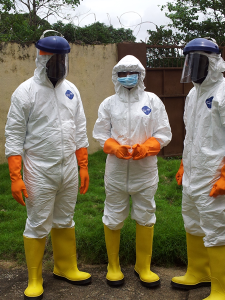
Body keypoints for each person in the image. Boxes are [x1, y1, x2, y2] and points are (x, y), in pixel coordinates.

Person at [5, 31, 91, 300]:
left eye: (62, 59)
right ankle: (34, 278)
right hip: (39, 169)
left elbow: (79, 129)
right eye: (52, 59)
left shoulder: (71, 90)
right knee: (38, 222)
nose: (58, 65)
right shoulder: (26, 92)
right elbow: (14, 135)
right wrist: (15, 176)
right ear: (41, 58)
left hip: (68, 169)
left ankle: (65, 267)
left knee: (65, 218)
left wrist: (83, 165)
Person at [93, 55, 172, 287]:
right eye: (122, 73)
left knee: (146, 215)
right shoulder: (108, 103)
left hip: (144, 171)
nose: (128, 77)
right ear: (116, 76)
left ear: (141, 74)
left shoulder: (153, 101)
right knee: (113, 216)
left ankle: (143, 266)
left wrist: (146, 148)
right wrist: (113, 147)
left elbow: (164, 133)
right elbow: (100, 133)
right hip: (116, 171)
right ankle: (113, 266)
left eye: (132, 72)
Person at [171, 37, 225, 299]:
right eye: (189, 61)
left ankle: (221, 289)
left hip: (214, 174)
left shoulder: (223, 93)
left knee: (216, 227)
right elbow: (191, 134)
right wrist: (183, 164)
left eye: (198, 61)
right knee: (192, 221)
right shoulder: (193, 94)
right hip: (194, 173)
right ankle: (198, 272)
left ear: (213, 62)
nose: (192, 67)